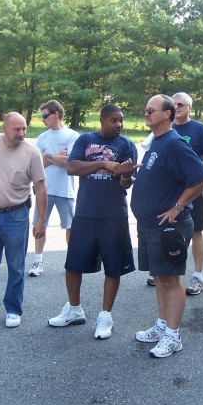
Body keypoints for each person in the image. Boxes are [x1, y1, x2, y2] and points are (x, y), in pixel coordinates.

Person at [131, 94, 203, 358]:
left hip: (168, 227)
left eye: (151, 110)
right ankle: (162, 325)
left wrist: (177, 206)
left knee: (171, 279)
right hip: (149, 223)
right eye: (145, 110)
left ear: (166, 114)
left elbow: (201, 176)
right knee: (160, 277)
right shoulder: (157, 141)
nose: (146, 113)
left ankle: (173, 336)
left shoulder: (174, 143)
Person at [48, 104, 138, 340]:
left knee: (113, 267)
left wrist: (125, 174)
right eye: (114, 120)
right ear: (102, 120)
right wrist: (102, 163)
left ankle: (105, 316)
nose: (119, 125)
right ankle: (74, 310)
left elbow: (126, 185)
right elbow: (71, 167)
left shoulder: (127, 145)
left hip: (114, 215)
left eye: (121, 120)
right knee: (73, 264)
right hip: (85, 213)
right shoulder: (86, 140)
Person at [0, 112, 47, 328]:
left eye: (24, 129)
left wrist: (40, 220)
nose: (22, 133)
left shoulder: (31, 153)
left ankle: (13, 309)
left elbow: (41, 188)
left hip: (17, 216)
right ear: (4, 128)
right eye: (17, 129)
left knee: (16, 265)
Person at [144, 92, 203, 295]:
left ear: (189, 108)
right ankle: (162, 270)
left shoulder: (199, 129)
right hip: (170, 194)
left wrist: (201, 187)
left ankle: (198, 276)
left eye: (181, 105)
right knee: (168, 231)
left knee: (195, 231)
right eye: (175, 105)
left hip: (191, 191)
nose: (178, 108)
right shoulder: (165, 129)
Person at [29, 100, 79, 277]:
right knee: (39, 224)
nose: (42, 119)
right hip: (45, 189)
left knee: (70, 226)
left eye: (45, 115)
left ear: (55, 114)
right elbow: (35, 164)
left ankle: (72, 260)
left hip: (66, 189)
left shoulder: (72, 135)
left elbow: (70, 161)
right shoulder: (42, 138)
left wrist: (47, 156)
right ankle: (37, 260)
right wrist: (54, 157)